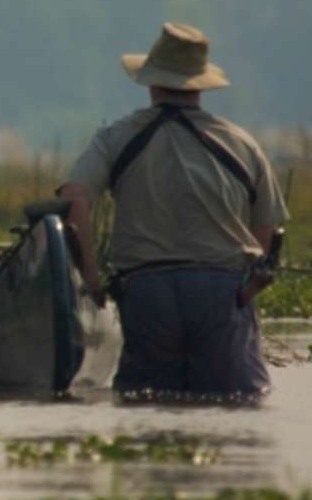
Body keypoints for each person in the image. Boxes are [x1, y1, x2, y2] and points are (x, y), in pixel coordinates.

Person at [59, 22, 288, 397]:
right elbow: (265, 233)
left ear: (150, 81)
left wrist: (92, 280)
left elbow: (74, 199)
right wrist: (243, 294)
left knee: (144, 408)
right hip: (224, 292)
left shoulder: (115, 138)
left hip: (147, 293)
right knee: (238, 404)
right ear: (200, 83)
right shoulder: (243, 144)